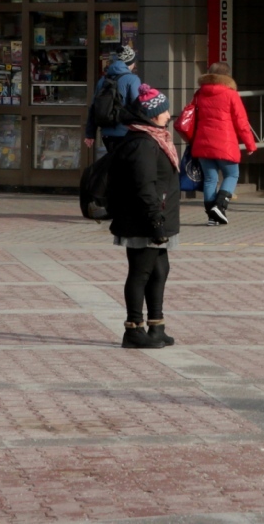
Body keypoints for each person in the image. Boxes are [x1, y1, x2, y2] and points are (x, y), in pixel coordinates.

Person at [106, 86, 182, 347]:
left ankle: (156, 326)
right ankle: (133, 329)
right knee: (141, 272)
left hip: (157, 216)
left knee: (160, 269)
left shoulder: (154, 138)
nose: (169, 114)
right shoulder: (142, 143)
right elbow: (144, 185)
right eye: (164, 110)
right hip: (144, 219)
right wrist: (155, 222)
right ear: (152, 115)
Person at [181, 62, 257, 226]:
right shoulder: (231, 95)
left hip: (202, 143)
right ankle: (220, 207)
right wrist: (250, 144)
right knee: (232, 175)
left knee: (210, 179)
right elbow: (241, 122)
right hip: (225, 143)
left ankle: (211, 216)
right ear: (227, 77)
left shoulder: (200, 93)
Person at [83, 45, 143, 156]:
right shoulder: (133, 79)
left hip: (106, 134)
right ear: (131, 63)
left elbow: (93, 107)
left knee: (113, 166)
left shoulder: (103, 80)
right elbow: (138, 107)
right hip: (126, 133)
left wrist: (90, 134)